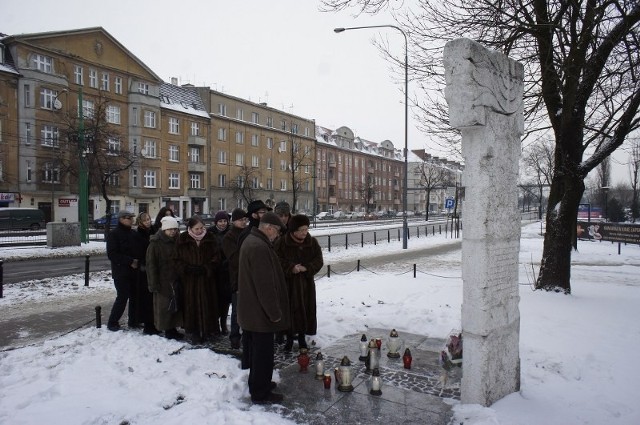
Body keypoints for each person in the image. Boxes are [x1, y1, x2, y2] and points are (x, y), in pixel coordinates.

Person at [237, 212, 290, 404]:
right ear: (269, 228)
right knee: (262, 356)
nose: (277, 235)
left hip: (253, 312)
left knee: (258, 353)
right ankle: (260, 393)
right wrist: (274, 314)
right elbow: (265, 286)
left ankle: (260, 384)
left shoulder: (253, 241)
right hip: (260, 314)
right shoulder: (259, 247)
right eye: (276, 231)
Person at [275, 214, 323, 352]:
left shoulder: (312, 242)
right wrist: (291, 268)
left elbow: (319, 260)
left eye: (306, 229)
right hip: (288, 285)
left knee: (305, 311)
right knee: (289, 312)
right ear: (293, 230)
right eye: (301, 230)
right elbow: (276, 260)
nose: (304, 232)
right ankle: (289, 339)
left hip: (306, 285)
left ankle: (302, 339)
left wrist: (307, 267)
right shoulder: (282, 243)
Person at [174, 216, 220, 344]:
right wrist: (187, 269)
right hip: (190, 280)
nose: (199, 231)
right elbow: (176, 259)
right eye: (196, 228)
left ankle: (208, 330)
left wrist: (206, 268)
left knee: (208, 304)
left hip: (207, 279)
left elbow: (216, 258)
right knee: (191, 304)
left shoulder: (210, 238)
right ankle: (194, 331)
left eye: (201, 228)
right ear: (190, 228)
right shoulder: (182, 240)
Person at [146, 216, 184, 340]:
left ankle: (173, 328)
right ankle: (168, 329)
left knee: (175, 306)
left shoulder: (178, 241)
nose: (173, 231)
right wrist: (153, 283)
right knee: (165, 307)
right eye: (170, 229)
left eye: (175, 229)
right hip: (163, 281)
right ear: (164, 230)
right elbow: (151, 265)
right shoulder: (155, 244)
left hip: (175, 279)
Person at [106, 210, 140, 331]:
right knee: (122, 297)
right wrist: (130, 261)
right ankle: (112, 322)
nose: (131, 220)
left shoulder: (133, 233)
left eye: (131, 217)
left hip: (134, 272)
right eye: (128, 218)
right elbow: (112, 254)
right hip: (121, 272)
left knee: (135, 297)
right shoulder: (114, 234)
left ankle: (133, 320)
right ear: (121, 219)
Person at [222, 208, 247, 349]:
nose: (243, 222)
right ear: (234, 221)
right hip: (236, 276)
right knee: (237, 309)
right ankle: (235, 337)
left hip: (249, 275)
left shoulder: (248, 232)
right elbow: (233, 257)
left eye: (245, 219)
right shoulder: (229, 237)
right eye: (240, 220)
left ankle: (246, 334)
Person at [132, 212, 159, 335]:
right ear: (140, 222)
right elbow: (138, 251)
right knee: (146, 298)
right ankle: (148, 325)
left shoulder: (154, 230)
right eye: (145, 220)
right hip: (144, 270)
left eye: (149, 219)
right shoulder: (138, 234)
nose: (148, 221)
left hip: (154, 267)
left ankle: (155, 323)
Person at [208, 210, 231, 335]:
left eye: (225, 221)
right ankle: (215, 324)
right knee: (214, 298)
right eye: (220, 221)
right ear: (216, 222)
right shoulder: (210, 233)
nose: (223, 224)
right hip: (214, 271)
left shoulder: (230, 232)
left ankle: (223, 322)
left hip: (226, 271)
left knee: (225, 300)